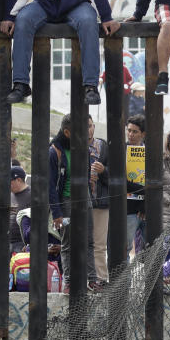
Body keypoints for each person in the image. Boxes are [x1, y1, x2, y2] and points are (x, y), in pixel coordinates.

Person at [48, 114, 98, 288]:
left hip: (85, 200)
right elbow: (50, 186)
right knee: (68, 243)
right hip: (66, 201)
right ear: (68, 132)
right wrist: (57, 213)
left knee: (89, 241)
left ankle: (92, 279)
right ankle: (68, 282)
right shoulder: (55, 152)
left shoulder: (83, 149)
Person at [88, 115, 109, 284]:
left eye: (89, 126)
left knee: (99, 244)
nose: (87, 129)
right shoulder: (70, 146)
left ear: (94, 127)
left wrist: (103, 171)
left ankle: (101, 278)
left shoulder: (103, 146)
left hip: (100, 202)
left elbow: (116, 176)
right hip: (78, 202)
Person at [125, 115, 146, 255]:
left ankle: (149, 278)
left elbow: (157, 182)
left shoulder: (150, 153)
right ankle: (125, 278)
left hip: (146, 209)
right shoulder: (121, 151)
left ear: (143, 134)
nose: (131, 134)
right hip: (127, 208)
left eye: (135, 131)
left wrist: (146, 204)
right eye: (129, 130)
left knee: (150, 249)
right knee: (124, 249)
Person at [8, 166, 31, 254]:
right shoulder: (10, 194)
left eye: (10, 182)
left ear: (18, 180)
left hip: (21, 243)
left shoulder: (32, 195)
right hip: (7, 240)